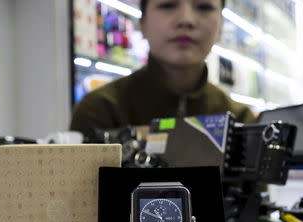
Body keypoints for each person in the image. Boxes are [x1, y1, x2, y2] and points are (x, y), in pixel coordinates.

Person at [70, 0, 256, 134]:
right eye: (168, 5)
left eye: (204, 7)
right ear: (142, 23)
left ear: (221, 27)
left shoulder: (241, 121)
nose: (186, 20)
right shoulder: (99, 112)